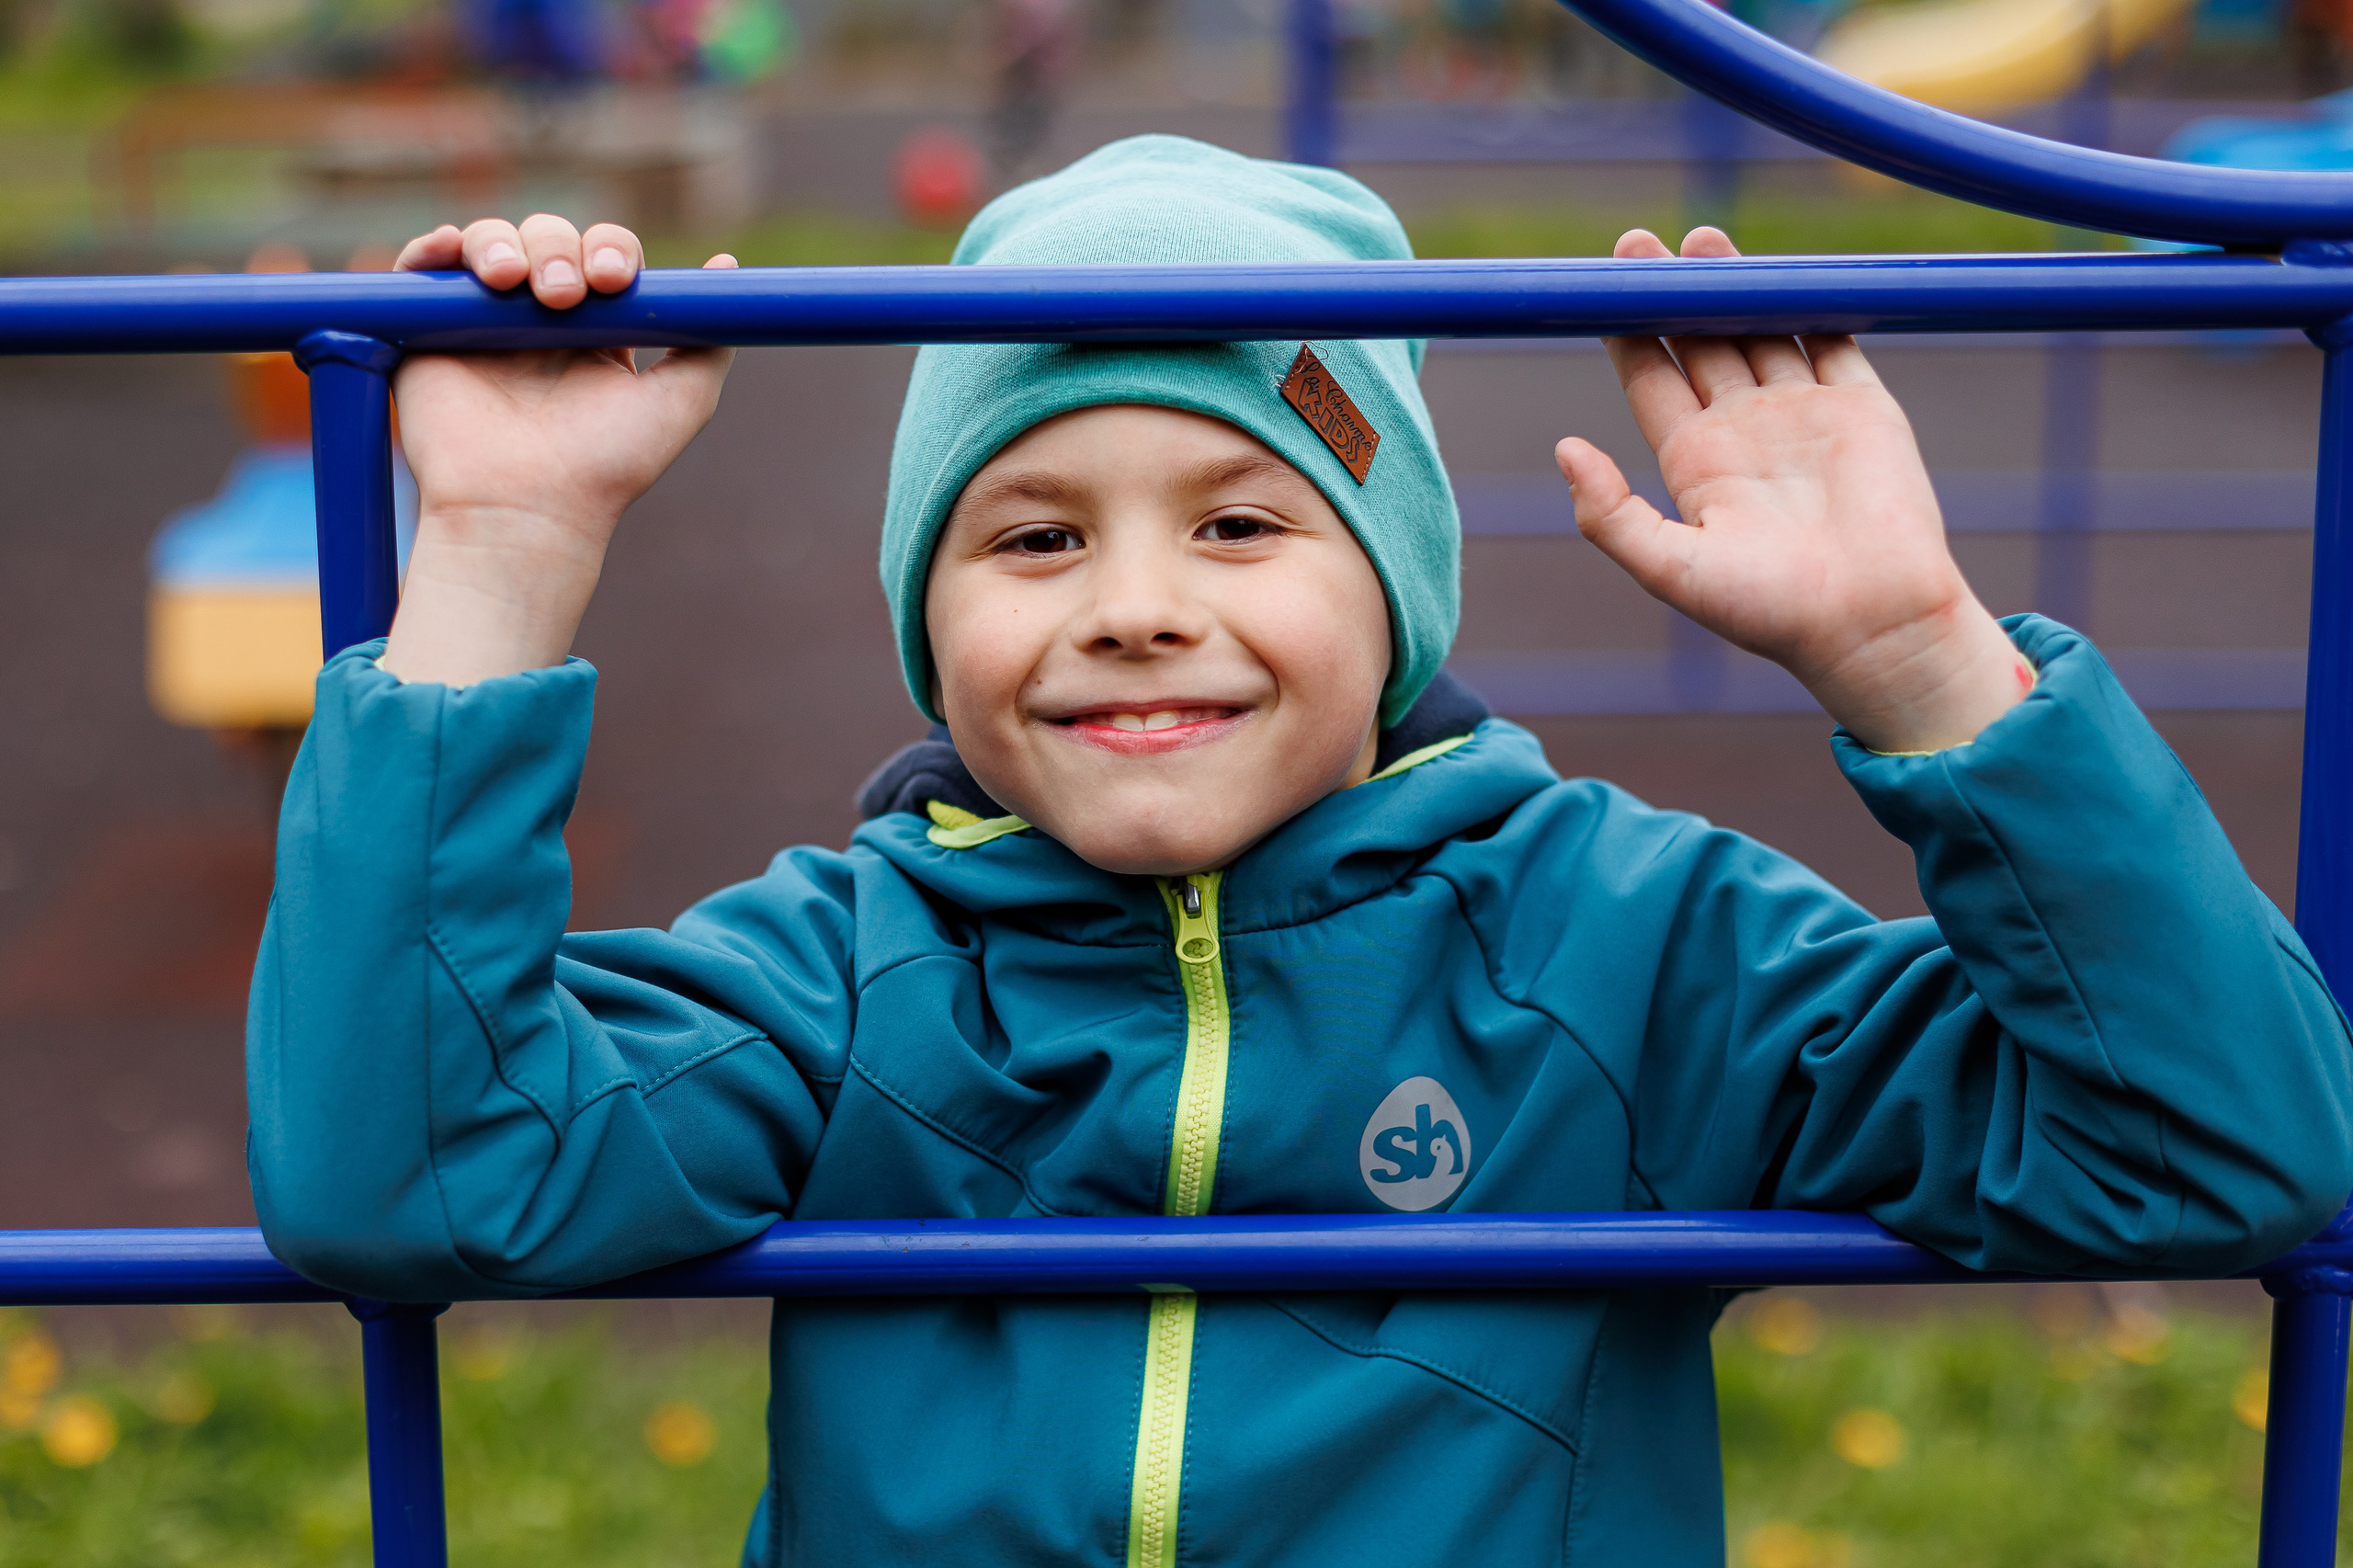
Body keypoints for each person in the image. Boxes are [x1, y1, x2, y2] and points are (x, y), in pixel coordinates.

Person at [247, 135, 2353, 1565]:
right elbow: (409, 1171)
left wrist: (1915, 658)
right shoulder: (855, 969)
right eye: (1033, 534)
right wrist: (505, 556)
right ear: (927, 614)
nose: (1135, 602)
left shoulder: (1629, 945)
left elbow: (2217, 1147)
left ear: (1396, 593)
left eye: (1241, 522)